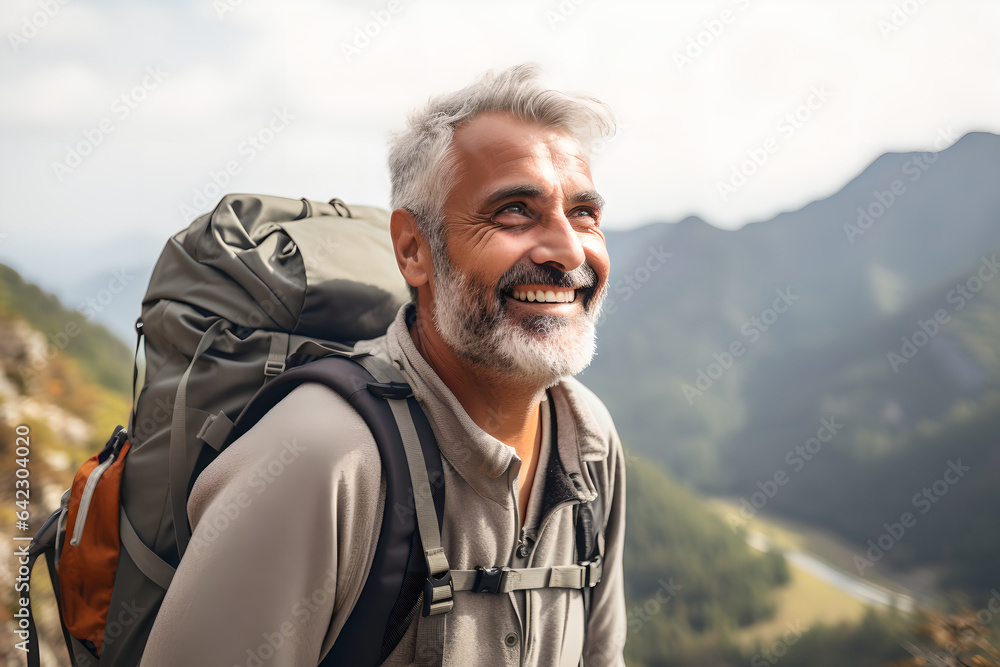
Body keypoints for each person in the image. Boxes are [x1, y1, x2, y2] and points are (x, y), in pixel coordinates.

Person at [141, 63, 627, 667]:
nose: (568, 250)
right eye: (513, 212)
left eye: (584, 213)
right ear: (413, 249)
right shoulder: (322, 461)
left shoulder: (589, 440)